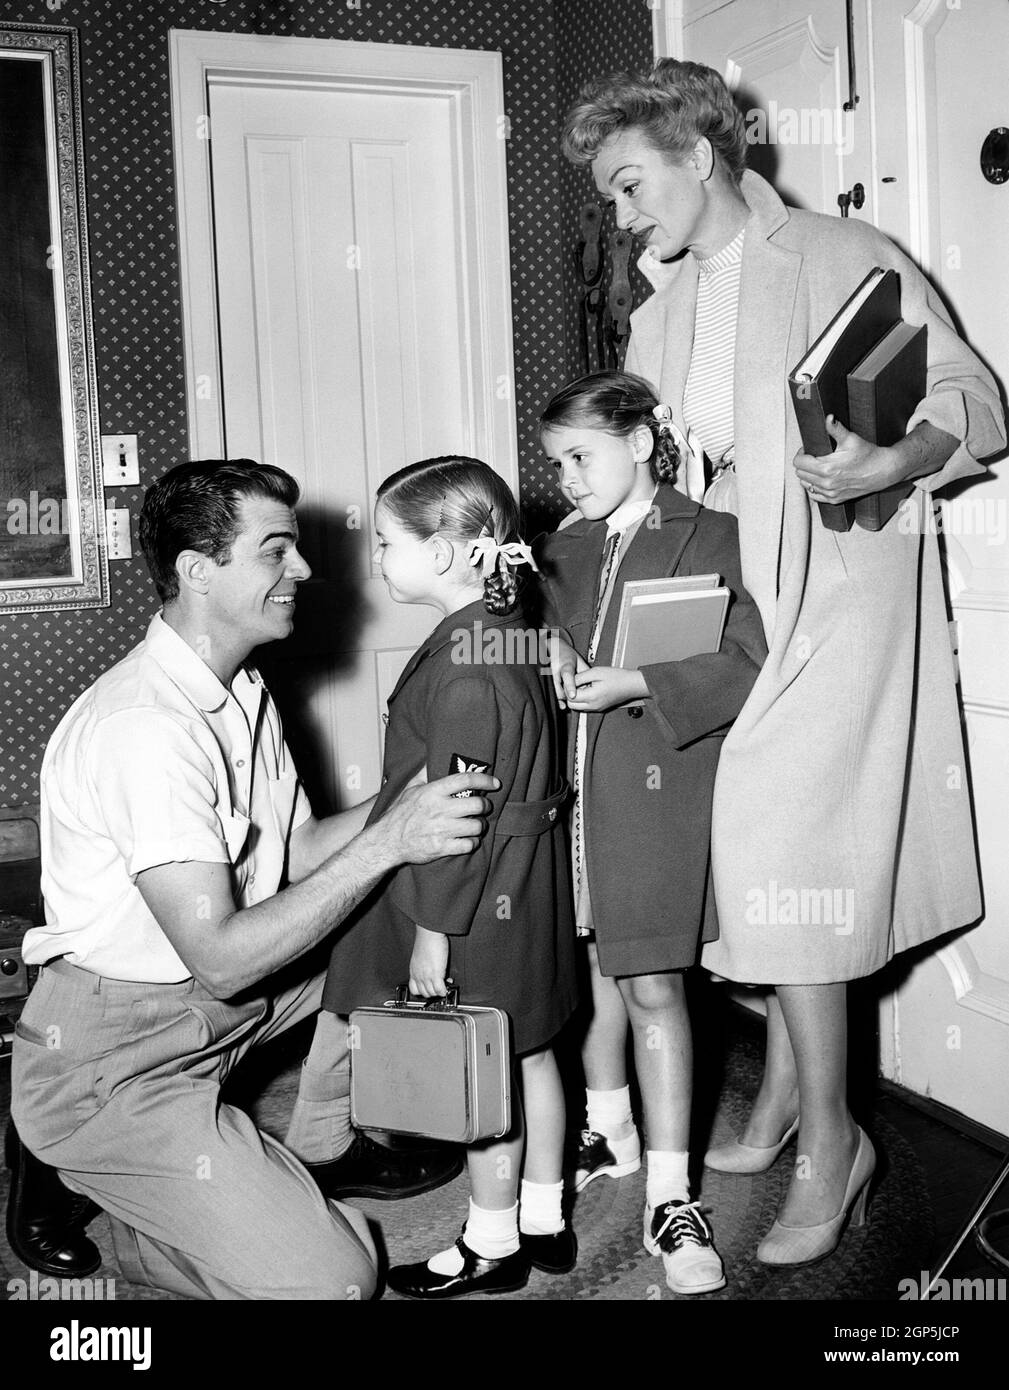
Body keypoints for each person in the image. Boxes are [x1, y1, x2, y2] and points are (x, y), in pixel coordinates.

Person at [562, 60, 1006, 1265]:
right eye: (610, 194)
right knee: (719, 860)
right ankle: (783, 1095)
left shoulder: (835, 250)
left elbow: (976, 399)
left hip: (830, 606)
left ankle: (834, 1143)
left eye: (630, 182)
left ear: (699, 155)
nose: (622, 212)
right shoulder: (660, 305)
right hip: (714, 603)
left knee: (782, 856)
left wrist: (881, 464)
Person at [7, 459, 499, 1300]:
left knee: (412, 934)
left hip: (226, 1009)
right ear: (200, 572)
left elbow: (300, 849)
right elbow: (224, 960)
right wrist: (388, 844)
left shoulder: (241, 685)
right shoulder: (146, 729)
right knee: (337, 1281)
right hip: (120, 1053)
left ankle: (314, 1143)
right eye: (276, 551)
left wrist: (404, 803)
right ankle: (87, 1176)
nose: (304, 569)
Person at [319, 456, 578, 1299]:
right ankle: (544, 1217)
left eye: (386, 543)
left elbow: (456, 820)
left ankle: (492, 1242)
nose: (376, 559)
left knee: (483, 1071)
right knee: (533, 1052)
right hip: (526, 884)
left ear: (442, 553)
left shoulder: (466, 664)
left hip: (474, 899)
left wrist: (432, 935)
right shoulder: (509, 631)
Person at [535, 370, 766, 1294]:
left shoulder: (714, 535)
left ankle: (672, 1197)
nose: (566, 480)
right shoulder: (560, 547)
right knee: (590, 976)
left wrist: (639, 686)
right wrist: (541, 645)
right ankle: (612, 1130)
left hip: (654, 791)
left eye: (579, 457)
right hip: (570, 795)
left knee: (654, 986)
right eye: (556, 464)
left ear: (640, 442)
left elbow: (749, 658)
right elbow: (529, 642)